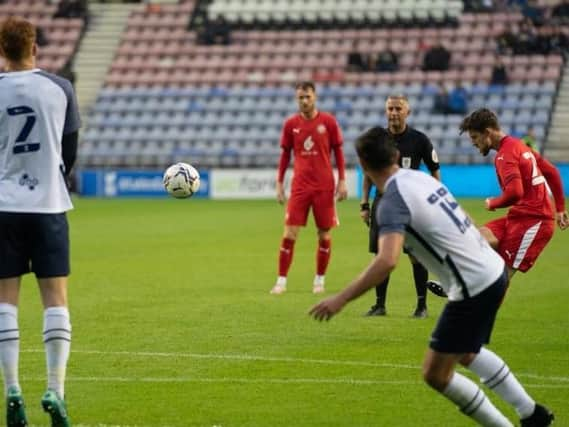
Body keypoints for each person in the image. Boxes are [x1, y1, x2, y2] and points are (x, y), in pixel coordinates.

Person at [310, 126, 554, 427]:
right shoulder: (420, 178)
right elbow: (462, 217)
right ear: (396, 155)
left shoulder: (391, 203)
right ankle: (533, 414)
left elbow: (387, 260)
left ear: (362, 165)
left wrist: (340, 298)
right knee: (467, 352)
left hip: (473, 286)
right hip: (491, 270)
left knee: (436, 373)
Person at [0, 17, 80, 426]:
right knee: (55, 300)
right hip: (49, 205)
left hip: (3, 207)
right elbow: (70, 150)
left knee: (5, 302)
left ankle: (12, 389)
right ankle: (55, 389)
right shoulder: (60, 88)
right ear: (34, 48)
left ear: (2, 50)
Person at [427, 109, 568, 297]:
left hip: (535, 221)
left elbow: (515, 193)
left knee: (500, 278)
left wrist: (493, 203)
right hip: (518, 216)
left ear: (488, 132)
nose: (474, 143)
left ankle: (476, 319)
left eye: (475, 137)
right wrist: (560, 208)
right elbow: (551, 171)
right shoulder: (518, 146)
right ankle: (456, 283)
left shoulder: (506, 155)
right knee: (475, 238)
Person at [360, 96, 440, 317]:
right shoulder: (378, 139)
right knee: (381, 255)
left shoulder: (419, 140)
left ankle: (422, 306)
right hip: (382, 202)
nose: (394, 112)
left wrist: (435, 198)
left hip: (410, 204)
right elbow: (368, 173)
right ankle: (380, 305)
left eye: (398, 108)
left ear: (408, 112)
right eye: (390, 108)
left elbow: (434, 169)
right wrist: (364, 204)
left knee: (416, 254)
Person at [270, 81, 348, 295]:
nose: (304, 101)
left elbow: (338, 152)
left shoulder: (329, 122)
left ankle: (319, 280)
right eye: (300, 98)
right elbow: (285, 155)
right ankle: (281, 281)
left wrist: (342, 180)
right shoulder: (290, 125)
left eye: (308, 97)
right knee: (289, 233)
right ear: (297, 99)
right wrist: (279, 183)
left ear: (315, 97)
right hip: (300, 186)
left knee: (324, 234)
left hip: (324, 186)